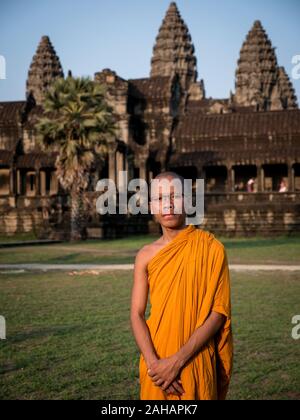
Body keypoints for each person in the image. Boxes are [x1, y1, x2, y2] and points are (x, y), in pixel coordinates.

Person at [130, 171, 233, 400]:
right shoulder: (145, 255)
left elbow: (218, 313)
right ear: (150, 207)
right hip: (155, 361)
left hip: (195, 357)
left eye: (174, 196)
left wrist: (177, 361)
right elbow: (136, 314)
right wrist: (154, 364)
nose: (167, 204)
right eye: (159, 198)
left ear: (188, 200)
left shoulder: (212, 248)